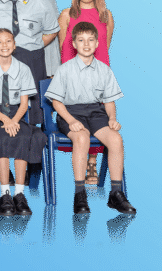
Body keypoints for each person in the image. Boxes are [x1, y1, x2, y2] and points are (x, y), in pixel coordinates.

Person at [44, 22, 135, 215]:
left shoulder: (104, 70)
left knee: (116, 139)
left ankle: (116, 193)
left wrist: (112, 118)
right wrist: (70, 120)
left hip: (95, 112)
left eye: (91, 40)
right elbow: (56, 102)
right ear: (74, 44)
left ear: (96, 44)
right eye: (81, 40)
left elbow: (109, 102)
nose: (86, 44)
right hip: (70, 112)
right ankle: (80, 194)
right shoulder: (65, 69)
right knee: (82, 138)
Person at [0, 28, 47, 216]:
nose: (4, 45)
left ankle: (19, 194)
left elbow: (24, 104)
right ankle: (5, 193)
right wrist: (6, 120)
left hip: (16, 114)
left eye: (8, 41)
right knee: (2, 136)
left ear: (14, 46)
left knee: (24, 136)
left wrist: (14, 120)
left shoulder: (23, 69)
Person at [58, 0, 114, 185]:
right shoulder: (66, 14)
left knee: (99, 117)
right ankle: (80, 165)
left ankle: (92, 161)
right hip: (73, 78)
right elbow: (64, 48)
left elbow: (104, 47)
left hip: (98, 77)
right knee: (78, 118)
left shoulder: (106, 16)